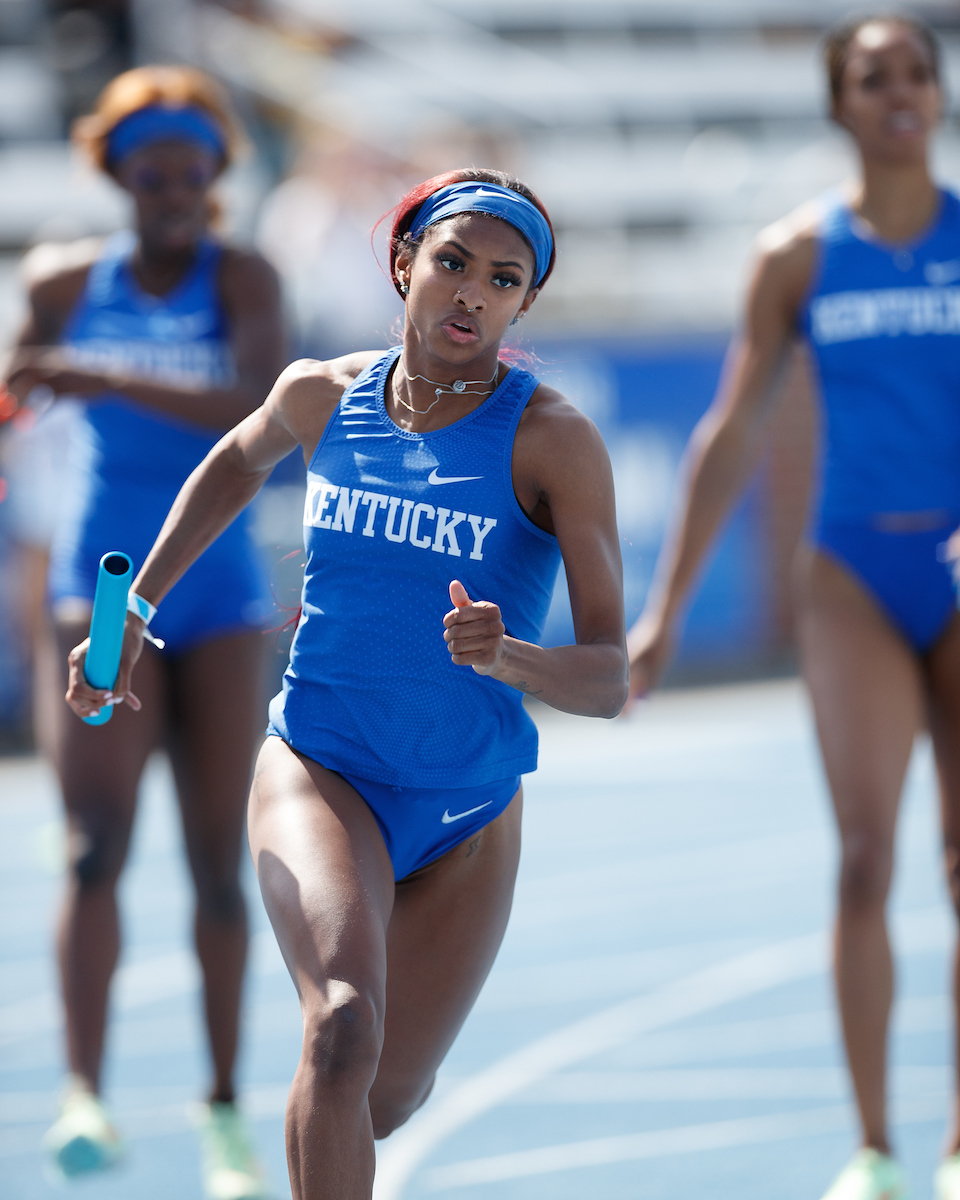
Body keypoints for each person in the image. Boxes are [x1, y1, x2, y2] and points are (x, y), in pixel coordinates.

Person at [64, 167, 628, 1200]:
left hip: (466, 809)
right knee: (341, 1029)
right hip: (321, 767)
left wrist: (511, 658)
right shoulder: (323, 392)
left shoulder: (554, 440)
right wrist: (133, 610)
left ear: (524, 303)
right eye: (452, 262)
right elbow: (234, 462)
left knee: (380, 1100)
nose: (471, 292)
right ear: (404, 261)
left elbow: (607, 679)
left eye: (503, 279)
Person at [627, 15, 960, 1200]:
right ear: (840, 105)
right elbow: (729, 433)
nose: (902, 92)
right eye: (876, 78)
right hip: (854, 579)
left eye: (917, 70)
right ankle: (874, 1150)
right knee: (865, 860)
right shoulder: (797, 255)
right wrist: (664, 609)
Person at [4, 66, 284, 1197]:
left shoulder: (246, 276)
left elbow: (259, 411)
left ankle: (222, 1110)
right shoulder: (65, 281)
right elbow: (21, 390)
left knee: (220, 865)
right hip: (104, 587)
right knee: (93, 845)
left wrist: (98, 375)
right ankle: (85, 1094)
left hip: (219, 598)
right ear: (117, 173)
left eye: (191, 167)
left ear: (217, 174)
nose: (172, 187)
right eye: (150, 169)